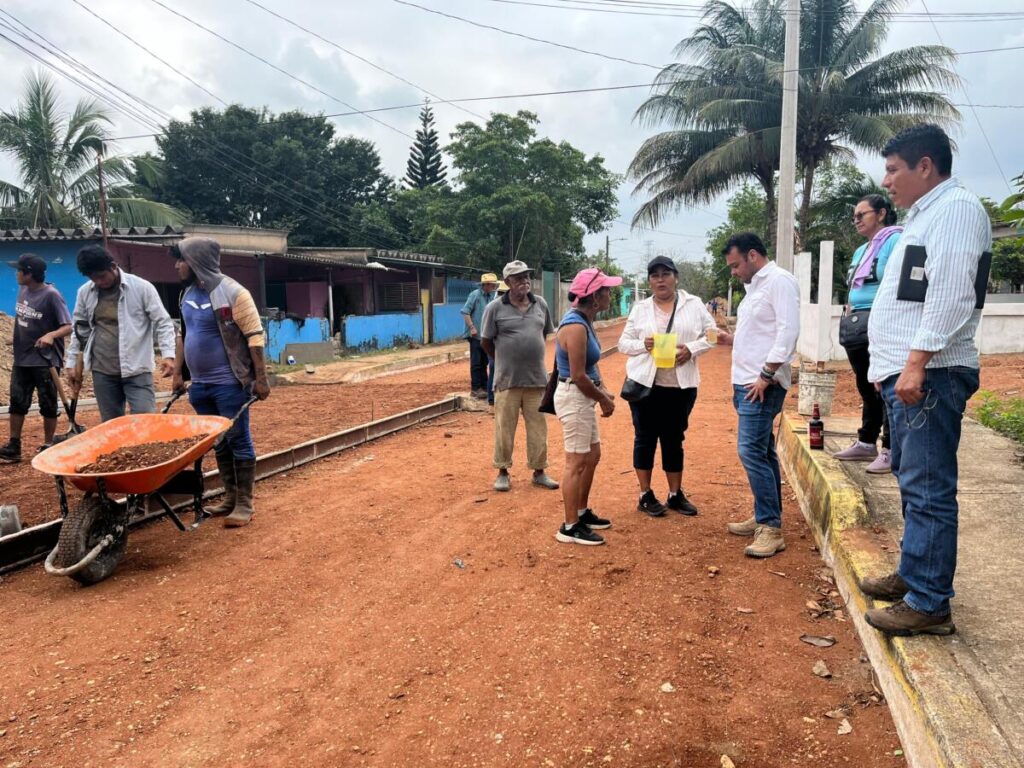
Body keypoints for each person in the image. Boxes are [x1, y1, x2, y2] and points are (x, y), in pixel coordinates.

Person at [860, 124, 991, 637]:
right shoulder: (927, 215)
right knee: (914, 484)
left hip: (931, 372)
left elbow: (953, 293)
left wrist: (913, 362)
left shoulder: (956, 210)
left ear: (925, 167)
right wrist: (886, 368)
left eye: (893, 170)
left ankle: (931, 602)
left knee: (930, 488)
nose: (886, 181)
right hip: (910, 371)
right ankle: (915, 575)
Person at [171, 237, 271, 528]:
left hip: (229, 383)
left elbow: (254, 336)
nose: (177, 266)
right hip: (200, 386)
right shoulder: (186, 294)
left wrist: (261, 379)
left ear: (196, 261)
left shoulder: (234, 293)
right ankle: (230, 497)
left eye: (181, 260)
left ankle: (244, 503)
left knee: (238, 439)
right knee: (218, 442)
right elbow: (184, 334)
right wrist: (179, 373)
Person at [716, 233, 800, 559]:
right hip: (746, 381)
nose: (734, 272)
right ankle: (765, 514)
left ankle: (771, 528)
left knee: (750, 450)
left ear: (753, 255)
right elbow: (761, 331)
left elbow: (788, 332)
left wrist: (766, 375)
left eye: (736, 265)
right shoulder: (755, 288)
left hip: (761, 384)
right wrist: (730, 339)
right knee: (763, 451)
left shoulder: (779, 281)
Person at [618, 255, 716, 517]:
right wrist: (644, 345)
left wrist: (692, 350)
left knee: (674, 439)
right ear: (650, 281)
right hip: (645, 386)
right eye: (655, 275)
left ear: (675, 277)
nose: (660, 279)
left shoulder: (693, 305)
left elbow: (713, 334)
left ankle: (675, 494)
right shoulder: (640, 309)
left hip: (680, 386)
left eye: (665, 274)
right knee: (645, 439)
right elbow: (623, 344)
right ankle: (645, 494)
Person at [65, 245, 176, 422]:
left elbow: (163, 322)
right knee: (111, 425)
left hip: (137, 368)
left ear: (113, 266)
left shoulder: (142, 288)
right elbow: (79, 330)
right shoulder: (85, 292)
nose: (99, 282)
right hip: (102, 370)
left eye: (102, 276)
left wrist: (168, 355)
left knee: (145, 422)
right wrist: (72, 363)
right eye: (94, 278)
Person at [832, 195, 901, 473]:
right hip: (858, 324)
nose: (856, 220)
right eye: (855, 216)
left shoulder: (896, 241)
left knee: (883, 384)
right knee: (865, 383)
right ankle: (866, 440)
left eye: (862, 214)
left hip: (882, 320)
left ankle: (890, 448)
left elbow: (896, 282)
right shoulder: (862, 250)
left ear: (882, 213)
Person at [553, 267, 622, 546]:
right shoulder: (575, 326)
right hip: (575, 396)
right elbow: (578, 374)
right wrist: (603, 398)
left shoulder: (585, 320)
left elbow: (591, 366)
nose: (610, 294)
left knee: (592, 455)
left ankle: (580, 512)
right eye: (606, 290)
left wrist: (602, 389)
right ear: (594, 296)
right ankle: (570, 527)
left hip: (583, 395)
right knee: (576, 461)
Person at [480, 260, 559, 493]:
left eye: (526, 276)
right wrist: (502, 360)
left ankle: (539, 471)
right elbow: (485, 341)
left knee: (538, 429)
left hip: (536, 379)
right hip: (507, 380)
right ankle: (503, 471)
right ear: (507, 283)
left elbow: (544, 335)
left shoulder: (541, 304)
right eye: (518, 278)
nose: (524, 281)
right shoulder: (494, 308)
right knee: (504, 428)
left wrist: (529, 354)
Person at [0, 255, 72, 462]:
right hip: (22, 357)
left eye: (19, 270)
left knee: (48, 403)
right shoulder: (23, 290)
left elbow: (67, 326)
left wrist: (50, 335)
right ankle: (14, 446)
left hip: (45, 360)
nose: (16, 273)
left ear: (29, 273)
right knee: (17, 401)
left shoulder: (52, 295)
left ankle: (48, 444)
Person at [460, 273, 499, 401]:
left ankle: (484, 386)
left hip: (485, 336)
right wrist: (472, 327)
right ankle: (475, 388)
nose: (494, 287)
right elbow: (465, 312)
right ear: (486, 285)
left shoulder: (491, 297)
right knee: (477, 363)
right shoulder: (475, 295)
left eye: (494, 285)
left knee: (485, 362)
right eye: (492, 284)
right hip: (475, 335)